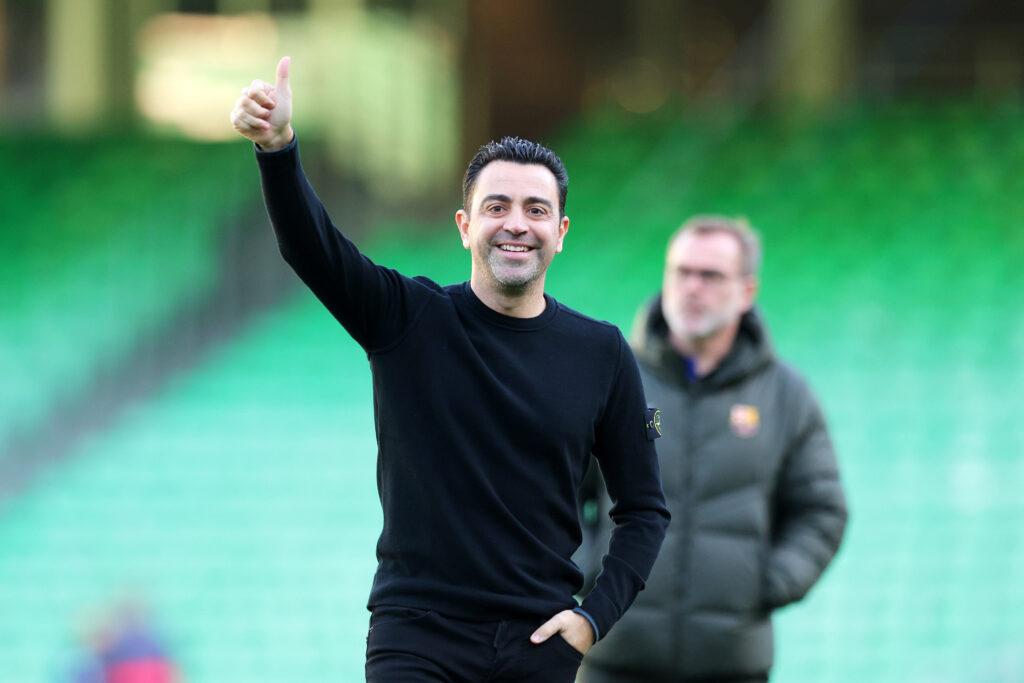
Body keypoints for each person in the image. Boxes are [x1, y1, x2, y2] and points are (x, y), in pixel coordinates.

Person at [230, 57, 669, 682]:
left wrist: (593, 618)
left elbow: (645, 509)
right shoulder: (408, 317)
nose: (516, 223)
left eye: (536, 210)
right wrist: (277, 149)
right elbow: (311, 248)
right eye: (497, 206)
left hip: (537, 645)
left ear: (561, 232)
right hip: (416, 639)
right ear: (465, 226)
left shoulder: (601, 352)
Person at [578, 215, 848, 683]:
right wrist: (585, 572)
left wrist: (767, 581)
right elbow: (546, 488)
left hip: (732, 665)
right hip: (610, 656)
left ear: (746, 291)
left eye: (711, 276)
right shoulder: (610, 377)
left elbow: (822, 510)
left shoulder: (786, 394)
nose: (691, 287)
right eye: (680, 272)